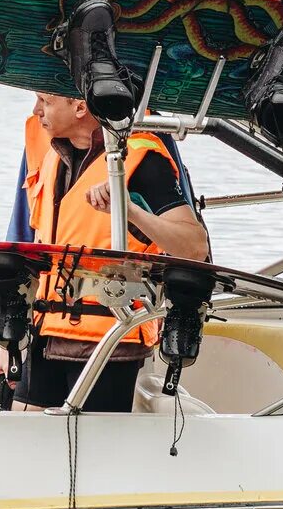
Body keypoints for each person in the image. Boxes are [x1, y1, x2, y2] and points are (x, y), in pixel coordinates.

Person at [17, 92, 208, 412]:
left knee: (93, 452)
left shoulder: (143, 160)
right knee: (21, 437)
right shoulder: (50, 156)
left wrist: (130, 211)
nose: (36, 111)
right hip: (47, 331)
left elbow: (194, 246)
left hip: (109, 340)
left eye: (45, 101)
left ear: (79, 107)